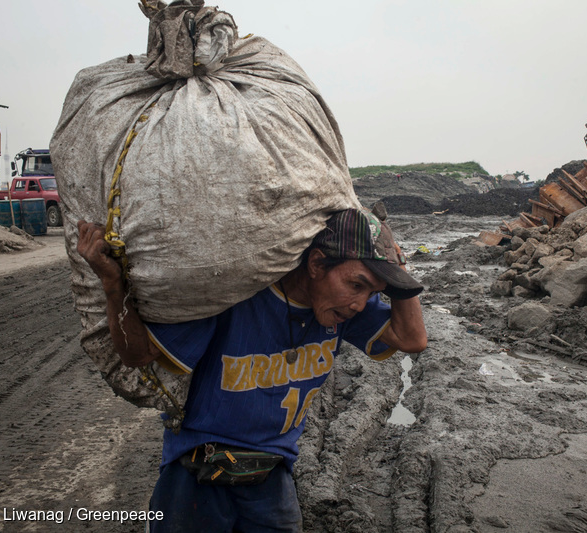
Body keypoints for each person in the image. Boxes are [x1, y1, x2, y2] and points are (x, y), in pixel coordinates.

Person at [77, 206, 427, 532]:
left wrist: (398, 275)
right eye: (357, 284)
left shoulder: (343, 308)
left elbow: (412, 339)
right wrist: (112, 284)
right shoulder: (235, 296)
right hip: (196, 479)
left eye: (372, 292)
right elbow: (138, 354)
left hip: (271, 480)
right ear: (317, 264)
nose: (360, 303)